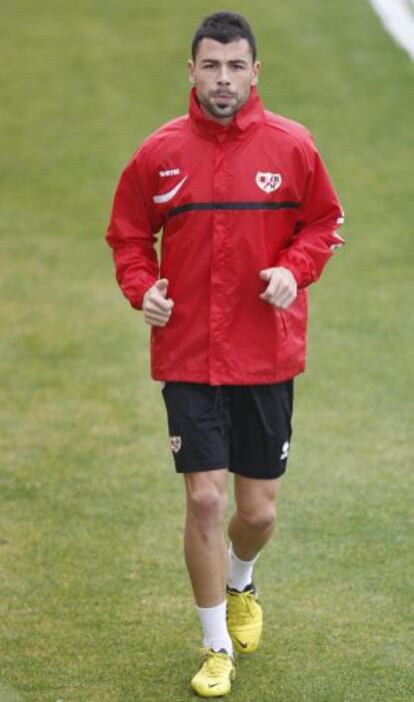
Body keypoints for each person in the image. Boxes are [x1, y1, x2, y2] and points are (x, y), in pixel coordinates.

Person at [106, 10, 344, 698]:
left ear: (255, 72)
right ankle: (216, 647)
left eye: (236, 66)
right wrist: (138, 287)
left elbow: (327, 221)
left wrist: (293, 269)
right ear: (191, 71)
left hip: (266, 357)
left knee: (257, 511)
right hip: (186, 355)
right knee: (205, 500)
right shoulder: (159, 153)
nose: (223, 78)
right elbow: (126, 236)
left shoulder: (293, 147)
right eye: (211, 65)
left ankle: (242, 580)